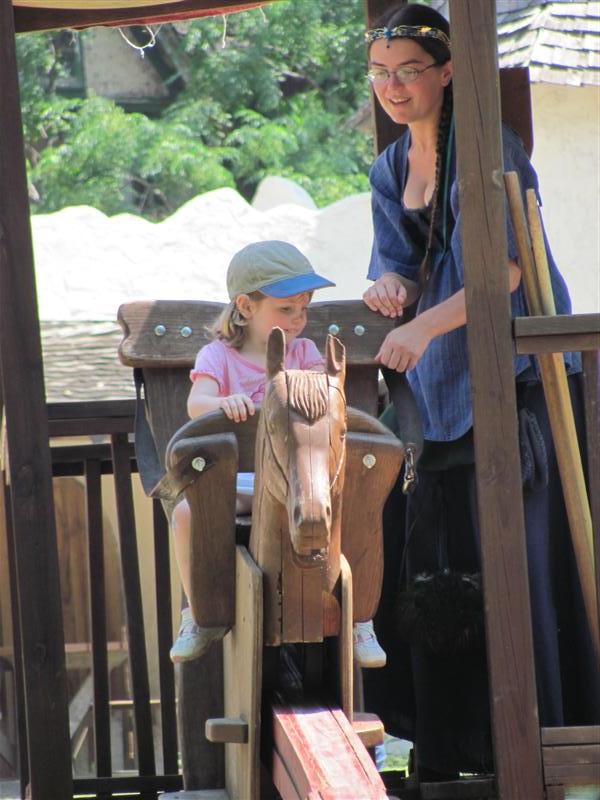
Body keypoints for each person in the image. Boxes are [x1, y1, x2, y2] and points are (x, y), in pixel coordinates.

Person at [360, 2, 600, 779]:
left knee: (518, 574)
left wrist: (423, 329)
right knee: (438, 577)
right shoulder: (390, 167)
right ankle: (453, 753)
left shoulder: (489, 148)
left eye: (410, 71)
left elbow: (504, 272)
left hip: (514, 389)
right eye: (380, 73)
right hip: (436, 402)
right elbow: (399, 265)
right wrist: (391, 290)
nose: (394, 87)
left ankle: (536, 752)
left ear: (447, 72)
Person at [169, 239, 386, 670]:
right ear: (245, 306)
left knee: (360, 508)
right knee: (186, 514)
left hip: (302, 484)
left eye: (303, 308)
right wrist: (223, 403)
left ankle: (360, 619)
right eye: (286, 309)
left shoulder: (303, 353)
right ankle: (198, 614)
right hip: (242, 483)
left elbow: (325, 401)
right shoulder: (219, 357)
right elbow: (196, 404)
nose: (298, 319)